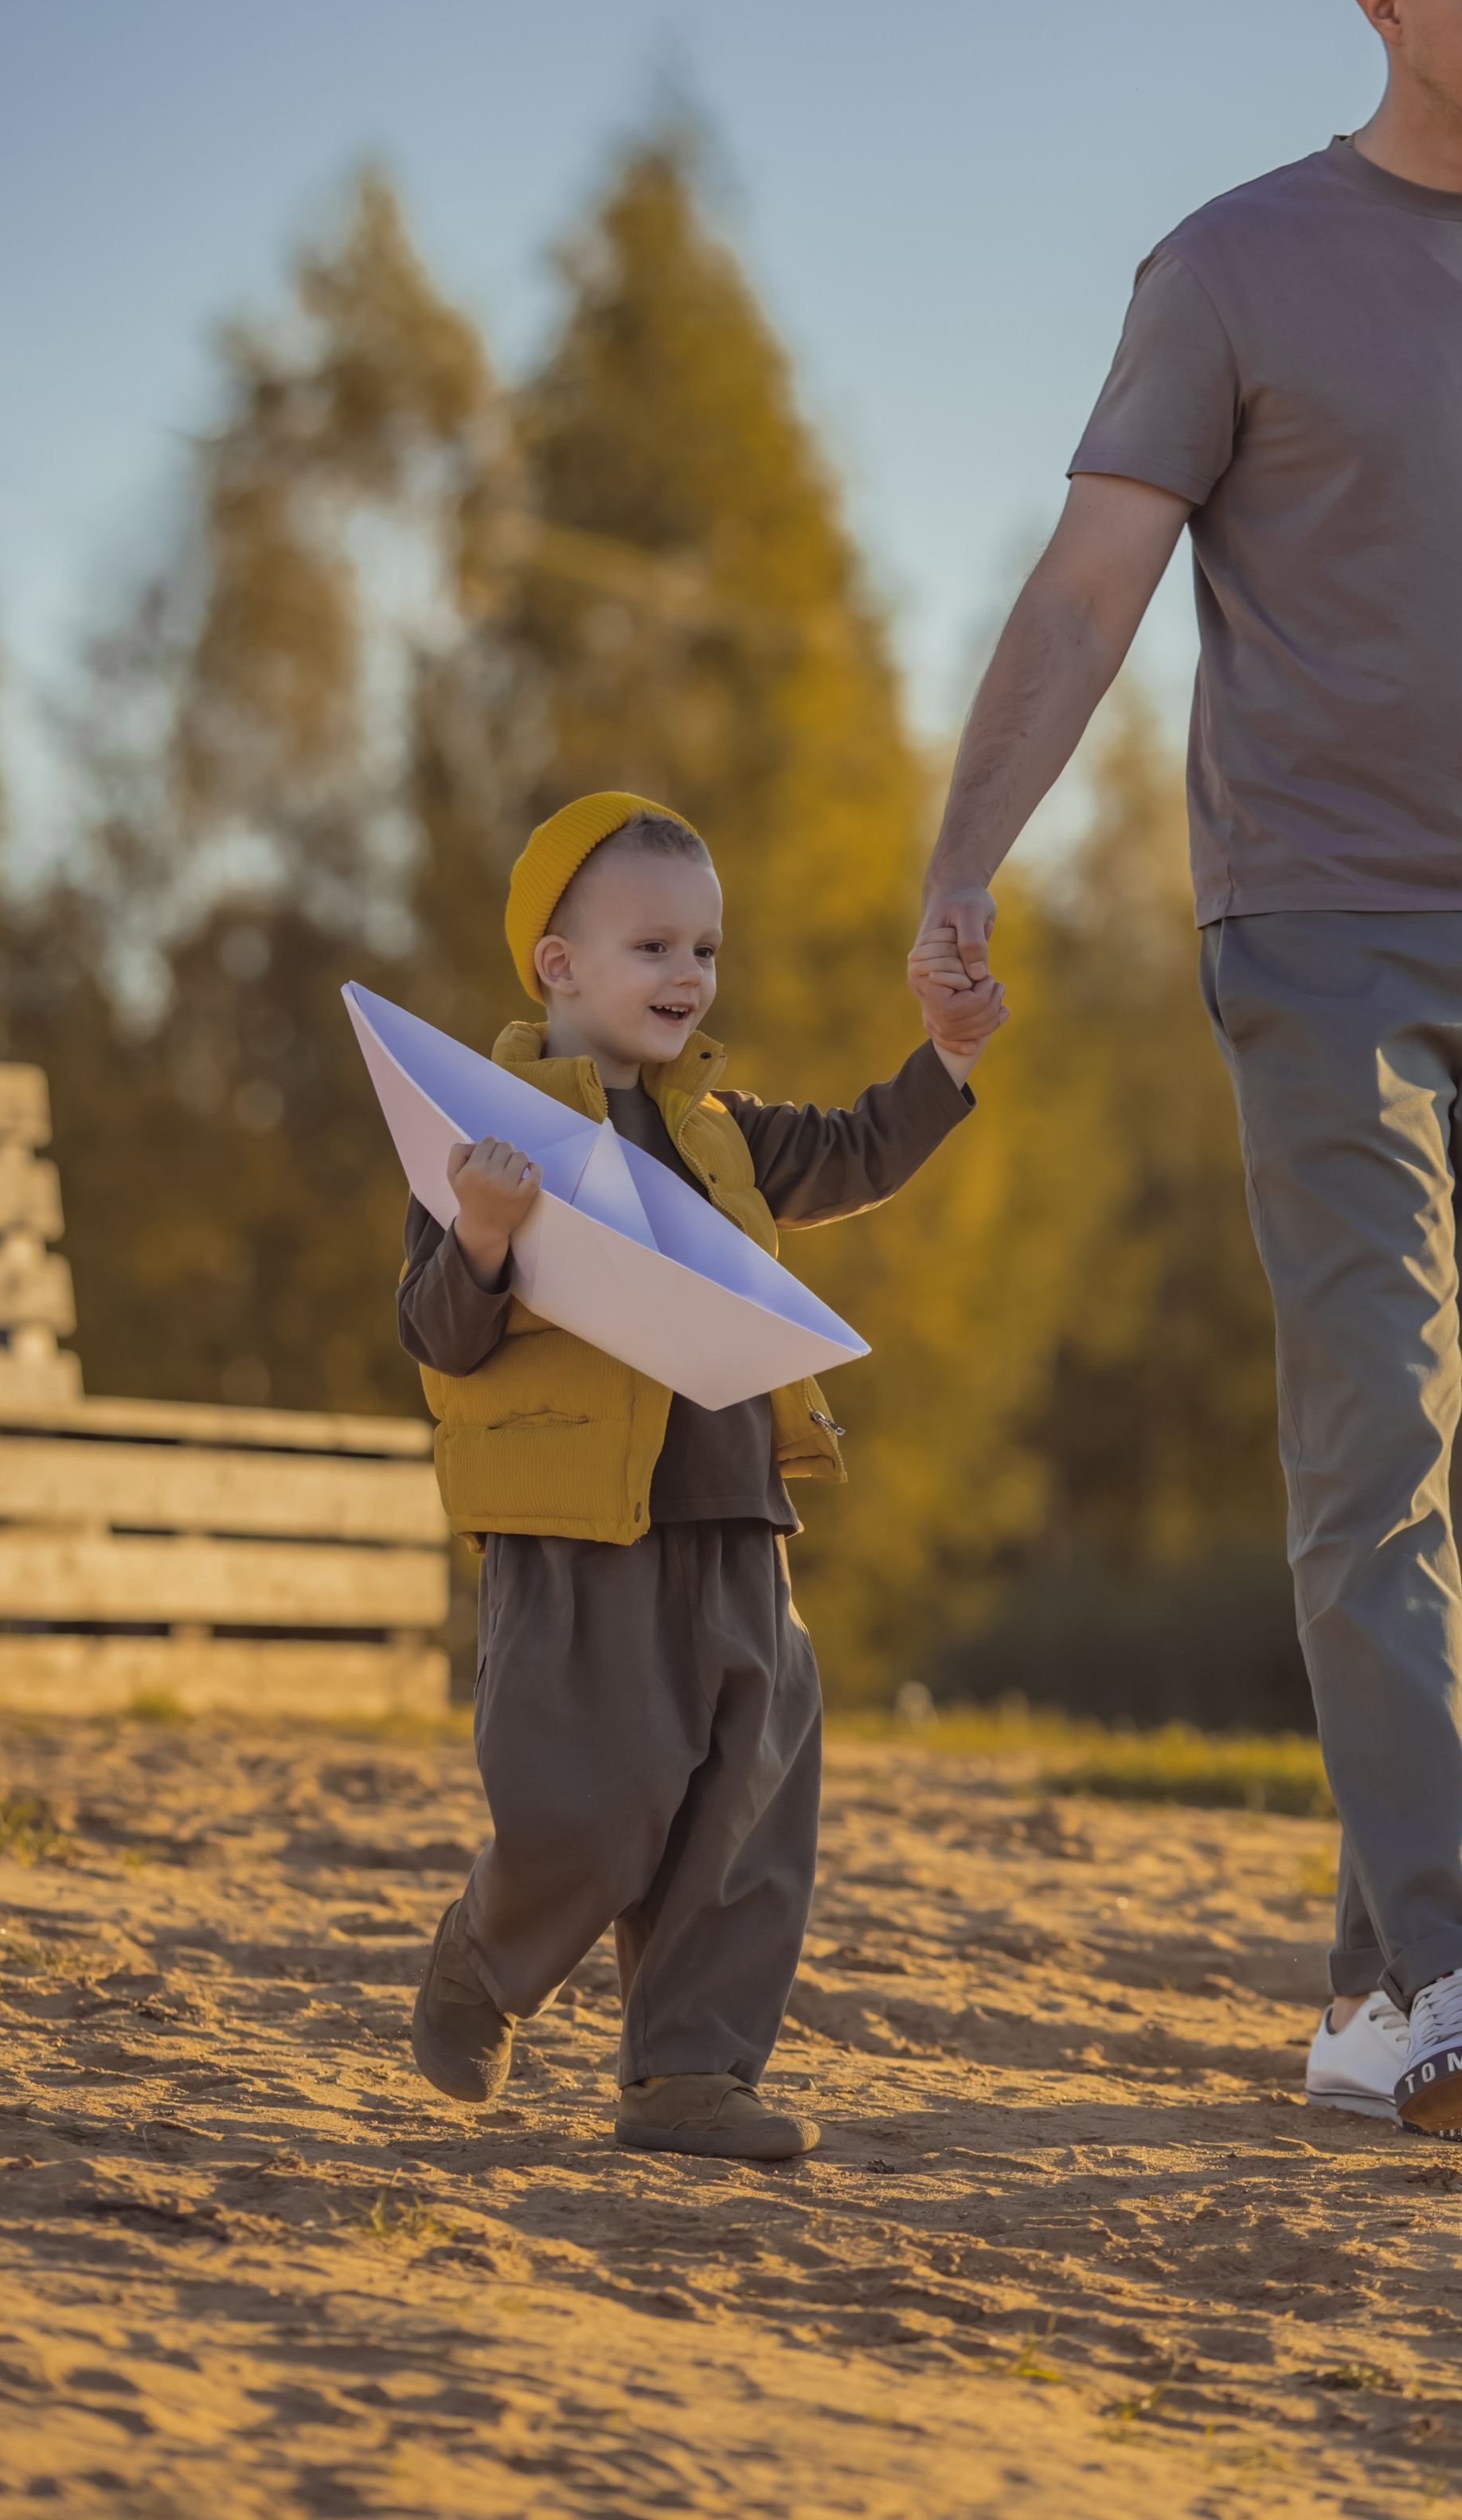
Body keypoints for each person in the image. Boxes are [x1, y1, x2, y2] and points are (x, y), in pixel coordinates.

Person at [910, 0, 1462, 2141]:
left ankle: (1369, 1996)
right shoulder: (1232, 268)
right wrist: (965, 859)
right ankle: (1458, 1974)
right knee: (1376, 1463)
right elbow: (1082, 597)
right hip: (1321, 940)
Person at [401, 790, 1005, 2161]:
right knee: (589, 1805)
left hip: (736, 1517)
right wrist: (483, 1235)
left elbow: (855, 1152)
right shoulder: (481, 1138)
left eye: (706, 953)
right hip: (573, 1530)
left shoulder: (720, 1126)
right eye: (656, 949)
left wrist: (947, 1063)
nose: (690, 978)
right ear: (559, 965)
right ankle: (484, 1960)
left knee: (748, 1800)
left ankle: (689, 2072)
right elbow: (434, 1334)